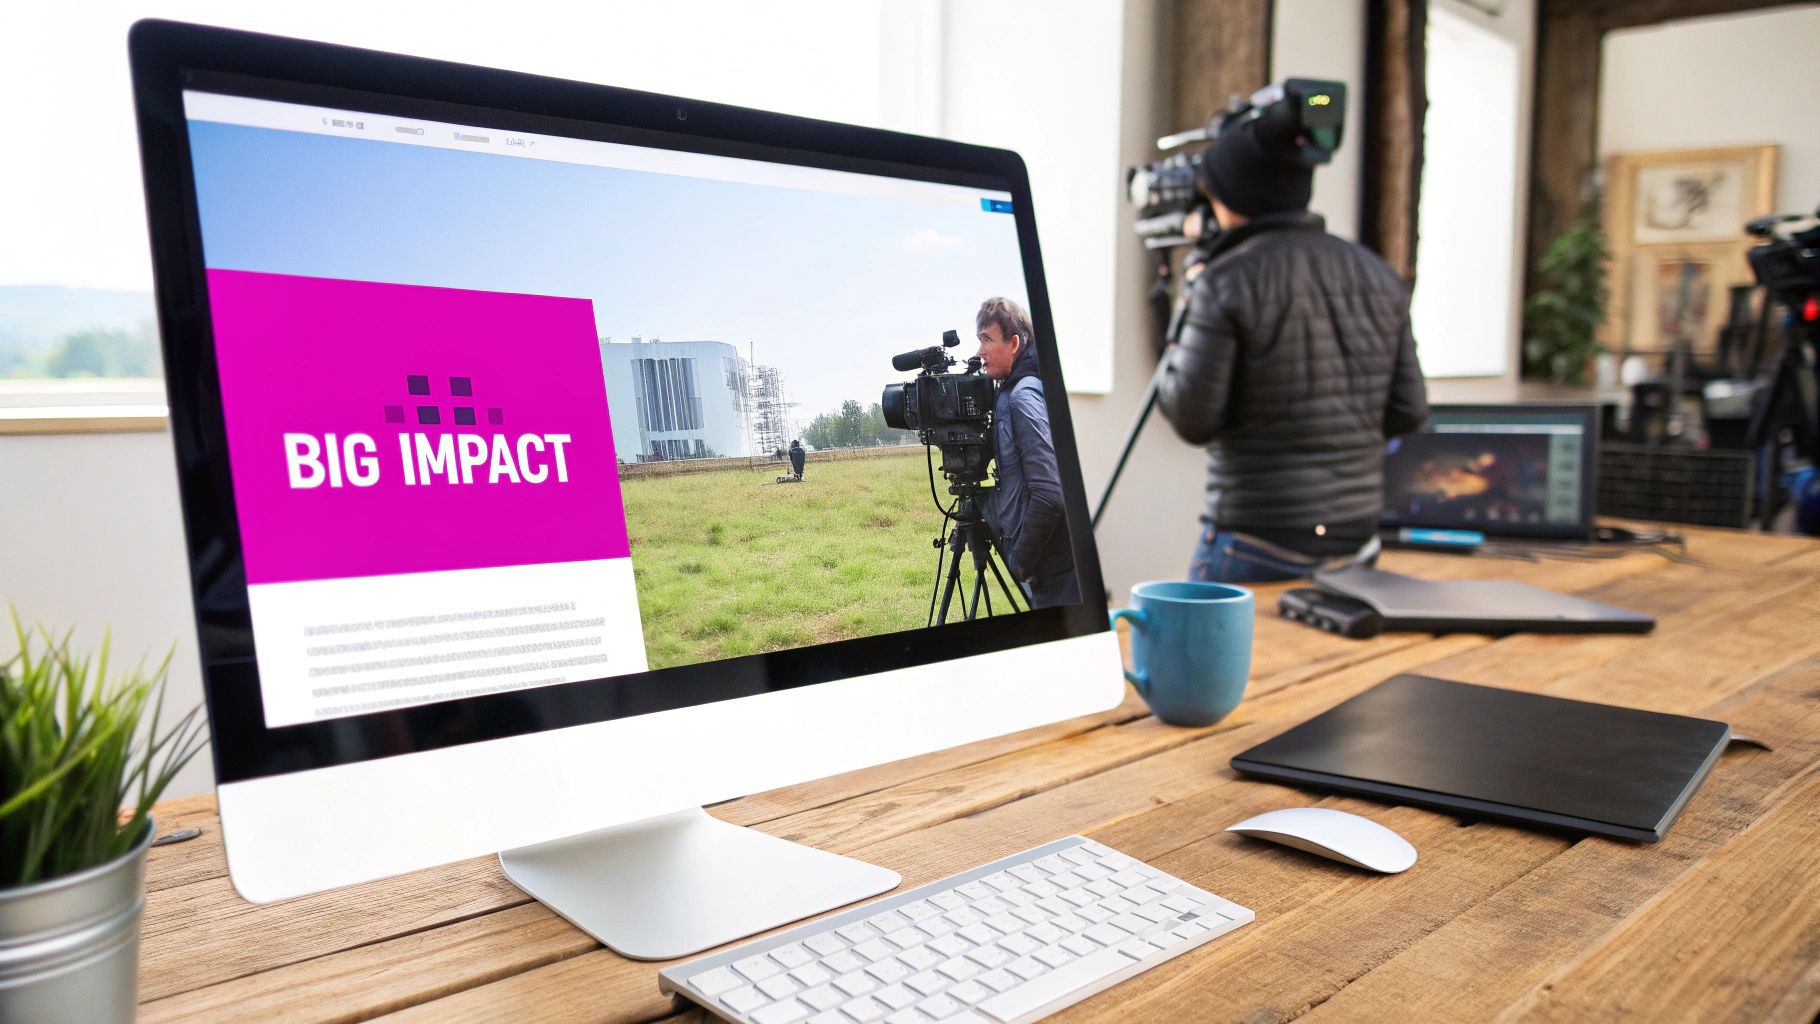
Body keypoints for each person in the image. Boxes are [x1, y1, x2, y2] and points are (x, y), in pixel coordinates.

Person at [1156, 103, 1428, 584]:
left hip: (1254, 541)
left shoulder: (1224, 281)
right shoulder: (1379, 274)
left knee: (1210, 662)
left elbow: (1190, 418)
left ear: (1231, 194)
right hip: (1357, 543)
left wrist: (1185, 299)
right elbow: (1408, 410)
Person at [976, 296, 1079, 608]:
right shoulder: (1030, 386)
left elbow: (1049, 494)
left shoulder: (1022, 397)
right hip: (1058, 567)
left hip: (1058, 577)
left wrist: (1020, 561)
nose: (979, 351)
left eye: (987, 340)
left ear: (1014, 343)